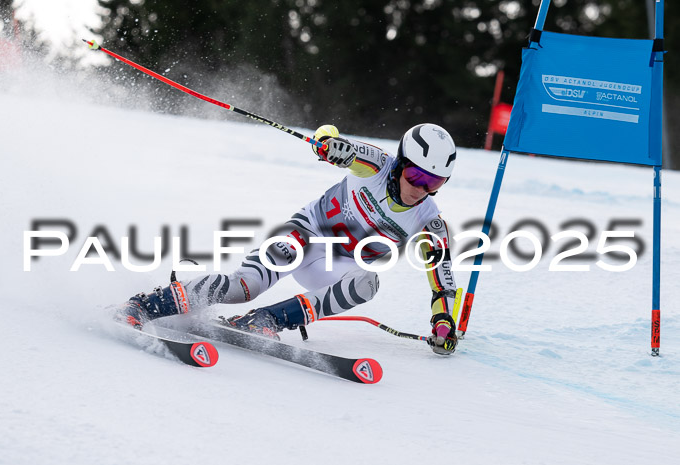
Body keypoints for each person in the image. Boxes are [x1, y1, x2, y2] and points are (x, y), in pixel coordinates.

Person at [116, 123, 459, 355]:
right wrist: (328, 144)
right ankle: (145, 304)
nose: (420, 189)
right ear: (401, 163)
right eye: (416, 175)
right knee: (243, 287)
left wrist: (443, 322)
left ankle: (266, 320)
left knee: (367, 283)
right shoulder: (377, 165)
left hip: (335, 267)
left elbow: (442, 282)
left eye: (434, 183)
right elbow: (337, 144)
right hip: (305, 235)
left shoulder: (428, 220)